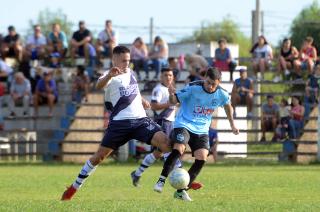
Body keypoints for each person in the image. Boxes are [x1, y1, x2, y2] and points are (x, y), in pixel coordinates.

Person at [61, 46, 171, 201]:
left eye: (128, 60)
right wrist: (109, 77)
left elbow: (134, 92)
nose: (127, 63)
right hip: (120, 124)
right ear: (115, 59)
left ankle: (181, 184)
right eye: (124, 60)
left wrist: (142, 100)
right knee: (99, 157)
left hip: (140, 120)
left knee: (166, 142)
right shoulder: (110, 74)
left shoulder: (131, 72)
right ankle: (74, 188)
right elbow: (99, 85)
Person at [153, 67, 239, 201]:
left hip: (202, 129)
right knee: (179, 149)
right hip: (184, 124)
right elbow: (173, 101)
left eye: (213, 84)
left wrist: (232, 124)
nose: (210, 86)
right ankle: (161, 180)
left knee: (202, 157)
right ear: (205, 78)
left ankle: (182, 191)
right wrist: (171, 94)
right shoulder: (193, 88)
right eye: (208, 82)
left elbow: (228, 106)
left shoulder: (222, 94)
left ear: (219, 82)